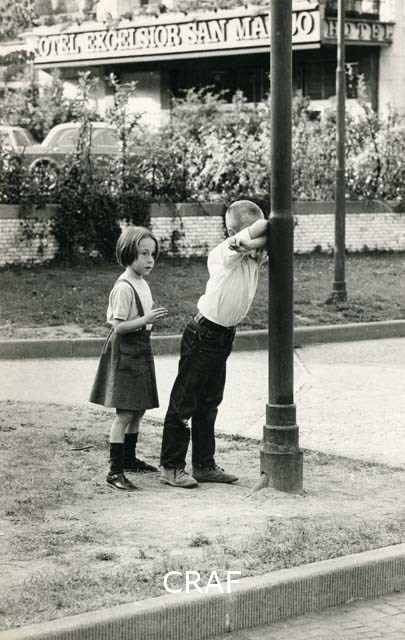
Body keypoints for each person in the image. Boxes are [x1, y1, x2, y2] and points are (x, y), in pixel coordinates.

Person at [159, 200, 268, 488]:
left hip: (223, 335)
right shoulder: (224, 252)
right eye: (252, 236)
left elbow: (268, 232)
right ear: (233, 232)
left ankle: (204, 465)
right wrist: (259, 236)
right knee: (185, 401)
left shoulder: (251, 256)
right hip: (203, 333)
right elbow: (264, 227)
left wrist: (256, 243)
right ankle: (171, 466)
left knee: (209, 403)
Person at [90, 226, 168, 491]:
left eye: (152, 254)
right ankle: (115, 471)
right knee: (124, 413)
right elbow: (119, 327)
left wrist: (147, 322)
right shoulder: (123, 287)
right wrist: (146, 320)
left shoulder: (142, 282)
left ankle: (130, 458)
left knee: (139, 408)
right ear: (127, 253)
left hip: (141, 349)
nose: (149, 260)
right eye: (143, 253)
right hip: (126, 351)